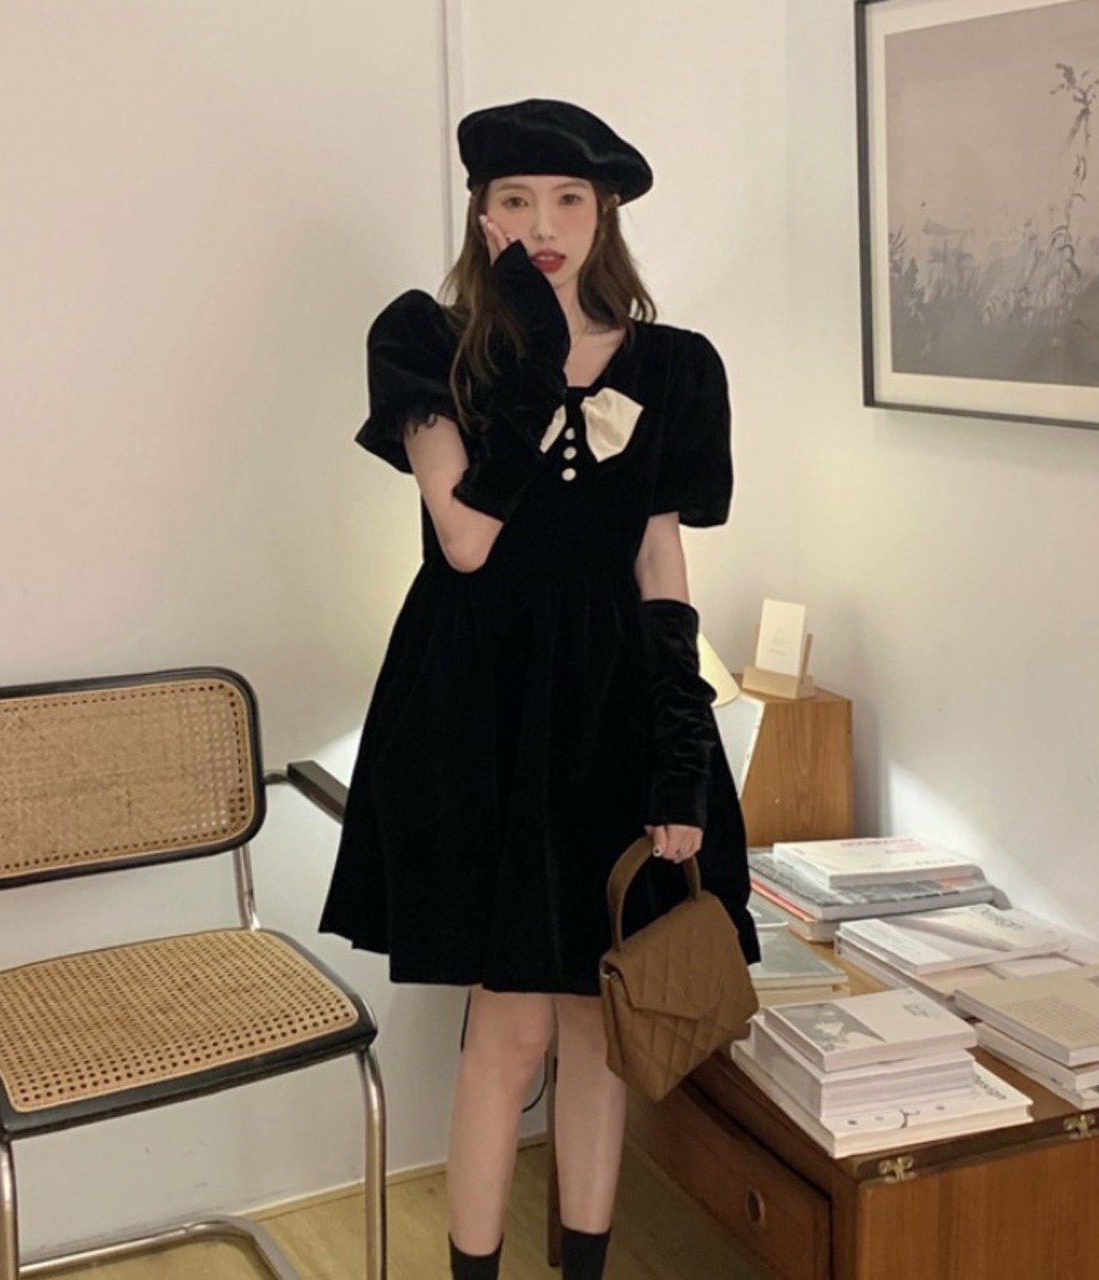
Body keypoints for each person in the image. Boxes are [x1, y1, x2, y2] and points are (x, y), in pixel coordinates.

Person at [319, 98, 760, 1280]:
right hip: (481, 711)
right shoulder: (426, 341)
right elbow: (465, 540)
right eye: (515, 200)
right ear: (481, 213)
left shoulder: (673, 364)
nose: (543, 225)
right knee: (506, 1026)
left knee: (595, 1025)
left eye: (569, 200)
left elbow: (659, 562)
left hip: (614, 704)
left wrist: (679, 756)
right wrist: (521, 354)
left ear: (604, 212)